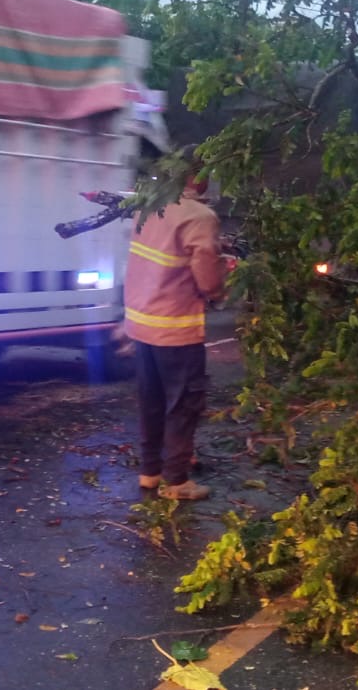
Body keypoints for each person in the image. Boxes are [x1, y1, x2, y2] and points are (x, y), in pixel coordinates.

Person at [123, 173, 226, 500]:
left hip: (142, 323)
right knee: (183, 404)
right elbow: (208, 281)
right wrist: (224, 279)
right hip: (176, 327)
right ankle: (178, 481)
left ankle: (150, 473)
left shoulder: (149, 206)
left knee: (151, 401)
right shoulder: (199, 216)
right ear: (196, 177)